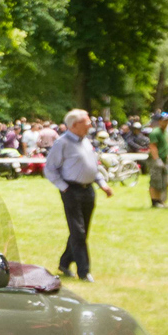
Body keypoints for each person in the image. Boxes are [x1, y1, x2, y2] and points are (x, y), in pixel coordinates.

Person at [43, 109, 114, 281]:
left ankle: (64, 263)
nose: (90, 123)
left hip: (88, 190)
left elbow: (92, 166)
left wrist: (102, 184)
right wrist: (64, 187)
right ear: (75, 125)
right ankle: (84, 271)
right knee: (78, 231)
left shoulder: (86, 142)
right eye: (87, 120)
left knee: (82, 231)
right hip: (72, 190)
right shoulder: (62, 143)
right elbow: (49, 169)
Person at [145, 112, 168, 208]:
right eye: (164, 121)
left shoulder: (167, 133)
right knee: (155, 180)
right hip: (156, 160)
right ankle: (154, 201)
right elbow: (153, 146)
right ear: (160, 121)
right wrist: (157, 160)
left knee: (164, 181)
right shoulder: (155, 132)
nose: (166, 122)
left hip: (165, 159)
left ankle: (161, 200)